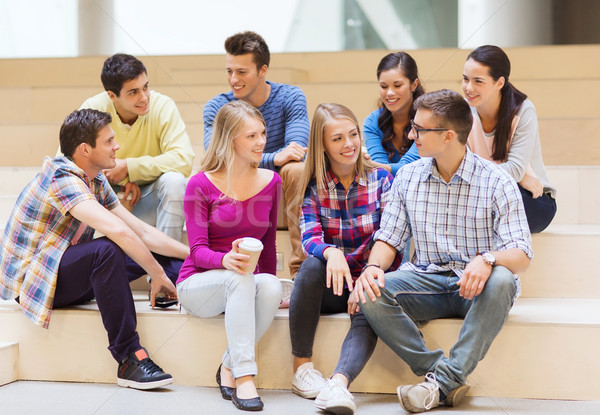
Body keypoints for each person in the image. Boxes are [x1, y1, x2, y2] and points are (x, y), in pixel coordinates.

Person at [355, 90, 533, 413]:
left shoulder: (497, 181)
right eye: (413, 127)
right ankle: (444, 377)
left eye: (420, 130)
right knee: (371, 290)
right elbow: (388, 239)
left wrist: (487, 259)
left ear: (449, 136)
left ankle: (439, 382)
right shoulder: (408, 177)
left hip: (477, 288)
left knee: (503, 280)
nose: (411, 135)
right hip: (427, 281)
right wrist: (372, 268)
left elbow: (521, 254)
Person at [0, 109, 189, 390]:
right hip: (37, 282)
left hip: (63, 270)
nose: (117, 147)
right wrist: (156, 273)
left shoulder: (95, 178)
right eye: (109, 141)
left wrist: (202, 258)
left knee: (152, 251)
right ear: (85, 149)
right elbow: (119, 232)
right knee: (107, 250)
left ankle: (194, 286)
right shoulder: (61, 178)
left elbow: (143, 232)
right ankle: (129, 358)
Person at [289, 103, 401, 415]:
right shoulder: (313, 186)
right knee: (311, 267)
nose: (349, 144)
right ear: (322, 145)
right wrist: (331, 252)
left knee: (372, 298)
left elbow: (393, 237)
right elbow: (309, 236)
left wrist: (366, 276)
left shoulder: (381, 180)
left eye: (353, 134)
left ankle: (339, 383)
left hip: (371, 280)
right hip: (334, 284)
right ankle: (302, 369)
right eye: (337, 138)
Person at [177, 100, 282, 411]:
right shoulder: (200, 184)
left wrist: (269, 290)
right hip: (198, 284)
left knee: (272, 286)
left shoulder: (272, 181)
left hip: (242, 282)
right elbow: (196, 253)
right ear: (229, 139)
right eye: (251, 136)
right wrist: (224, 260)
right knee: (240, 280)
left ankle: (228, 366)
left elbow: (270, 245)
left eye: (262, 133)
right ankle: (246, 375)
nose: (261, 141)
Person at [203, 31, 310, 278]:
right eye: (229, 71)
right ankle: (212, 265)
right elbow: (218, 157)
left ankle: (300, 273)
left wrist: (266, 160)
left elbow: (295, 152)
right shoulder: (217, 107)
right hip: (233, 181)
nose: (233, 79)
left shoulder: (290, 98)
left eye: (241, 72)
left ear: (263, 70)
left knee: (296, 169)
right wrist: (274, 158)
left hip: (276, 184)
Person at [79, 53, 195, 241]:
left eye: (146, 87)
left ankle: (168, 266)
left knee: (175, 182)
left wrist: (130, 168)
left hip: (148, 200)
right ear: (112, 95)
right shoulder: (93, 108)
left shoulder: (163, 105)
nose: (144, 97)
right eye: (133, 92)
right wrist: (115, 185)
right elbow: (68, 167)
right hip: (106, 205)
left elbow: (183, 160)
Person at [463, 45, 556, 233]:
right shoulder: (462, 112)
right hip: (484, 195)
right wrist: (519, 177)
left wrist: (517, 176)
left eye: (478, 81)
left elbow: (514, 169)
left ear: (500, 83)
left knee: (488, 199)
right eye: (465, 79)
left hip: (532, 199)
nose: (469, 88)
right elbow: (460, 168)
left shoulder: (523, 110)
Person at [363, 51, 424, 176]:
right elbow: (379, 173)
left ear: (414, 85)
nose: (389, 93)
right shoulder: (372, 122)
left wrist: (367, 164)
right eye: (384, 87)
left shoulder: (429, 119)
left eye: (397, 85)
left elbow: (411, 168)